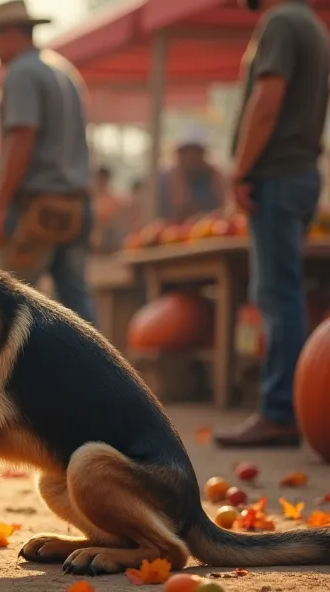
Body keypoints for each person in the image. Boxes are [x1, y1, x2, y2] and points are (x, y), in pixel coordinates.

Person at [214, 0, 330, 448]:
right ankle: (296, 406)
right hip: (299, 172)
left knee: (278, 296)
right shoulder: (313, 25)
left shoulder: (281, 21)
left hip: (277, 173)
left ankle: (281, 410)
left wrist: (242, 169)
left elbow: (268, 97)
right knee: (286, 292)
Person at [0, 0, 96, 325]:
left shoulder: (22, 73)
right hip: (74, 204)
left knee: (6, 303)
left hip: (36, 209)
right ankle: (95, 372)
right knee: (76, 302)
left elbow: (21, 138)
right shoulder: (62, 70)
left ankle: (12, 375)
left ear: (11, 32)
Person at [156, 127, 228, 224]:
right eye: (188, 152)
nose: (192, 157)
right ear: (180, 153)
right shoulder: (165, 180)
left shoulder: (216, 178)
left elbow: (223, 210)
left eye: (196, 152)